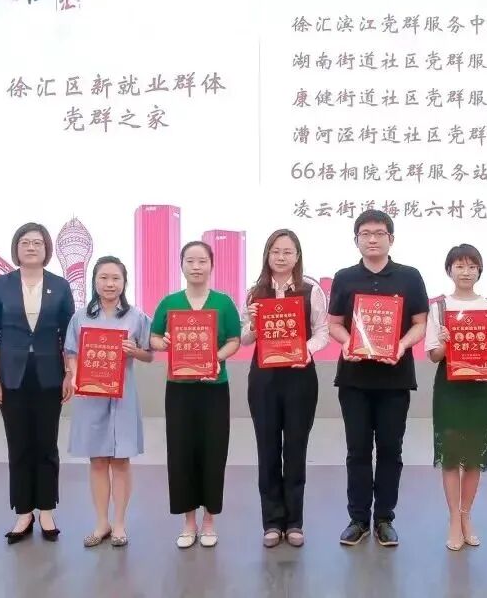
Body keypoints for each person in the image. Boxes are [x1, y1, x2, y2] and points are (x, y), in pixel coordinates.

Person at [327, 210, 429, 547]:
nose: (372, 239)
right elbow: (334, 324)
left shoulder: (410, 277)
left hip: (395, 379)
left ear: (391, 238)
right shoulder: (344, 277)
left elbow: (420, 323)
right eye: (365, 234)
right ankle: (358, 519)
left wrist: (401, 345)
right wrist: (347, 342)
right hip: (354, 379)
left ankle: (384, 518)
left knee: (390, 450)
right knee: (357, 451)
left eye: (379, 233)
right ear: (356, 240)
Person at [0, 222, 75, 544]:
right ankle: (23, 512)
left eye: (37, 242)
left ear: (47, 248)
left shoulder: (60, 286)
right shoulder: (0, 285)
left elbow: (69, 336)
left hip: (49, 375)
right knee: (18, 443)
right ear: (16, 248)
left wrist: (70, 374)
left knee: (47, 444)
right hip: (11, 376)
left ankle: (46, 509)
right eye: (25, 242)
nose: (31, 247)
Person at [149, 241, 241, 549]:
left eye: (202, 261)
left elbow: (234, 340)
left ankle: (209, 520)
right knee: (181, 452)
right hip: (180, 389)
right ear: (182, 265)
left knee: (214, 452)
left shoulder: (224, 303)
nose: (196, 266)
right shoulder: (169, 302)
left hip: (215, 387)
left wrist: (215, 359)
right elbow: (154, 337)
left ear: (212, 265)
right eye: (190, 261)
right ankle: (188, 521)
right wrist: (163, 343)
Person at [241, 229, 330, 548]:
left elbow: (322, 332)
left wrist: (304, 350)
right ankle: (271, 522)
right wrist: (253, 324)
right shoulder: (254, 292)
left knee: (295, 449)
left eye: (287, 252)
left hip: (299, 376)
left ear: (297, 256)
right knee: (267, 449)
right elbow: (244, 339)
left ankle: (294, 522)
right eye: (275, 251)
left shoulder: (311, 290)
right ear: (267, 255)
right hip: (264, 378)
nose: (281, 257)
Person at [62, 257, 154, 548]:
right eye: (103, 278)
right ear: (94, 281)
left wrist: (134, 351)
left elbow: (149, 354)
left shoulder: (137, 317)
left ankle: (120, 523)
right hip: (91, 396)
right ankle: (101, 522)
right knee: (98, 460)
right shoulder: (80, 317)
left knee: (121, 460)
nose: (110, 284)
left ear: (125, 282)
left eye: (116, 278)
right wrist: (74, 376)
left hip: (123, 396)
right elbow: (71, 352)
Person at [425, 244, 487, 551]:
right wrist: (445, 344)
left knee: (474, 456)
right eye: (459, 266)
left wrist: (478, 361)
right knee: (450, 456)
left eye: (472, 266)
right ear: (449, 270)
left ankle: (466, 516)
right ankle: (453, 519)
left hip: (479, 388)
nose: (466, 272)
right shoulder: (439, 308)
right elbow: (434, 356)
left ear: (479, 271)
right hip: (449, 389)